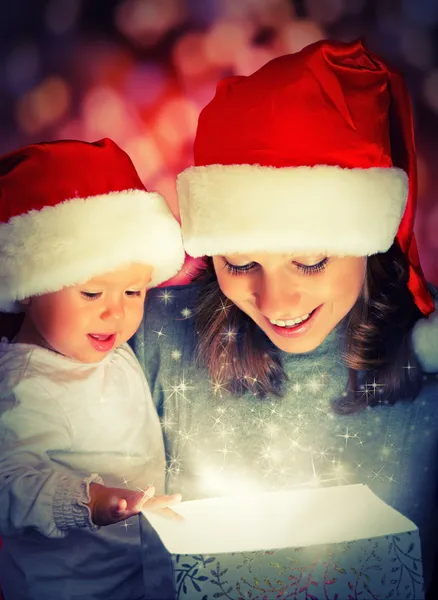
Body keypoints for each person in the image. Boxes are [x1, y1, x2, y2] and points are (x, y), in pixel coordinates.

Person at [131, 40, 438, 596]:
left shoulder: (430, 354)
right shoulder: (147, 334)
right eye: (240, 263)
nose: (277, 302)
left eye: (311, 261)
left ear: (368, 237)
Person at [0, 138, 184, 600]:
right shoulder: (26, 385)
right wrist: (90, 501)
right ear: (28, 286)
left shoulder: (110, 347)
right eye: (91, 294)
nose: (115, 315)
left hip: (139, 575)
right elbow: (8, 485)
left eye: (133, 293)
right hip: (68, 588)